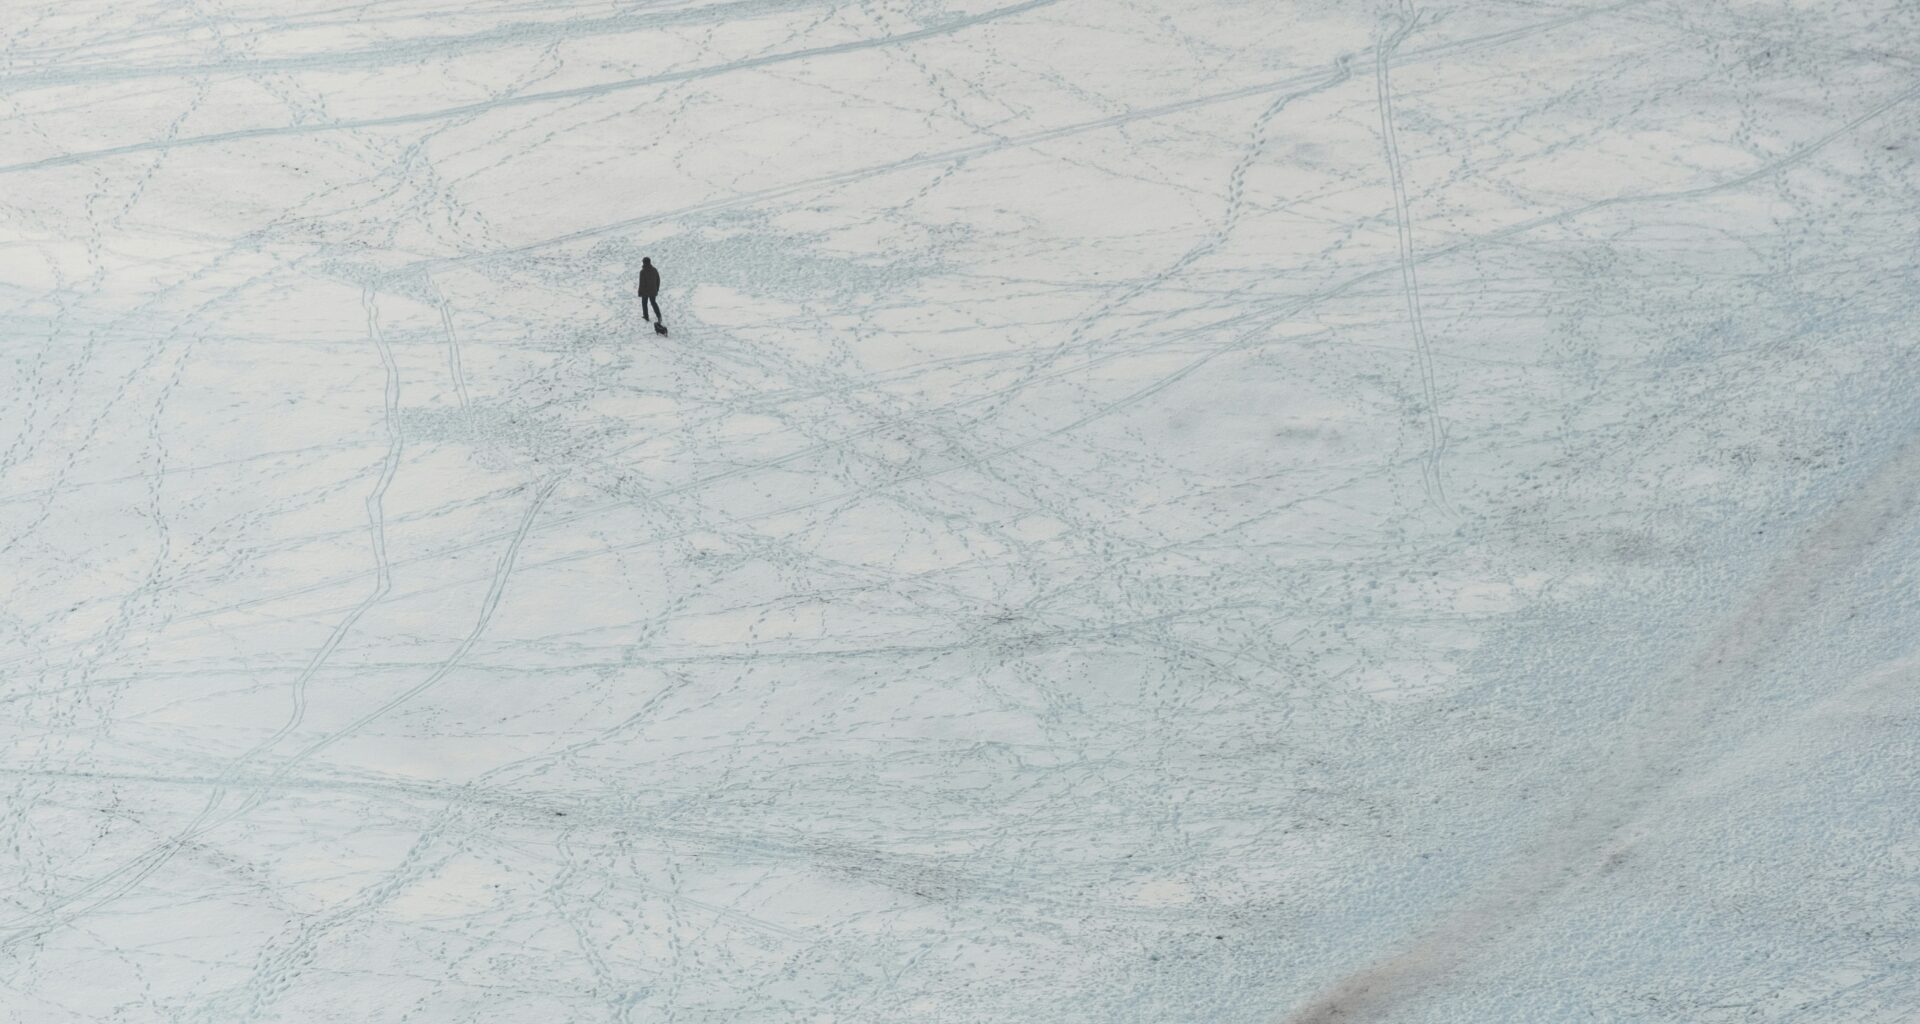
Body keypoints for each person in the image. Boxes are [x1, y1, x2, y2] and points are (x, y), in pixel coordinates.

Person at [637, 257, 662, 323]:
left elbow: (641, 283)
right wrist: (657, 289)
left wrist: (640, 292)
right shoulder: (654, 270)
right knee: (653, 303)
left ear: (644, 263)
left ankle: (646, 316)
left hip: (645, 291)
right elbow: (658, 280)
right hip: (653, 290)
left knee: (644, 303)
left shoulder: (642, 272)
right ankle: (659, 316)